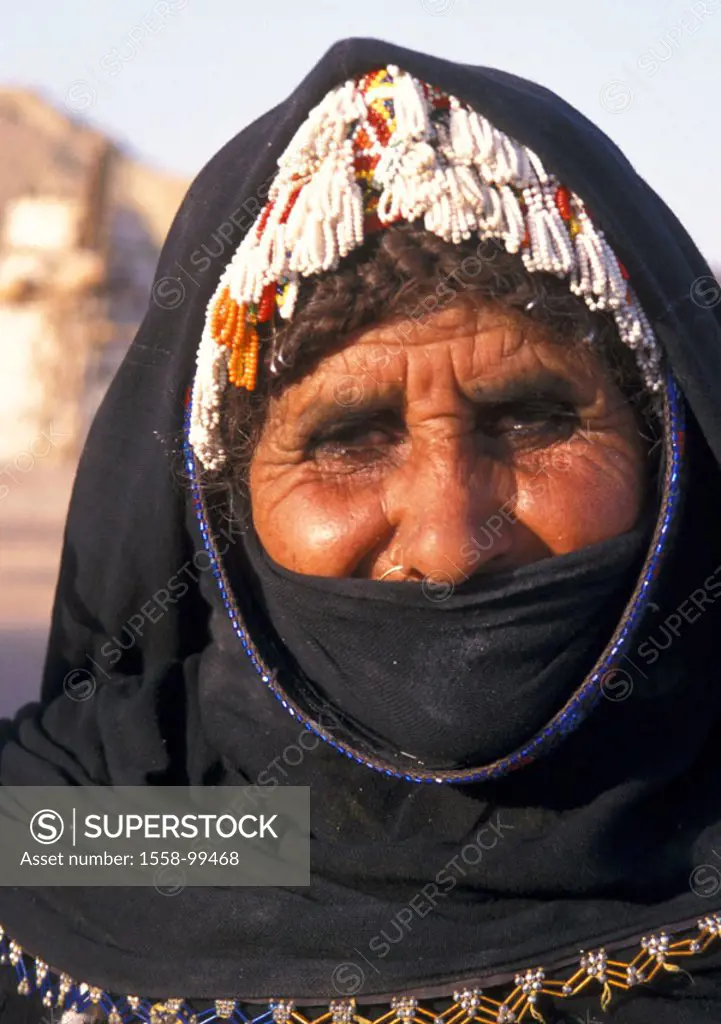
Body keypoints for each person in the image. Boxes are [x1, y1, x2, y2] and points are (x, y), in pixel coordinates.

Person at [2, 36, 721, 1024]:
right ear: (225, 515)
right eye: (347, 439)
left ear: (667, 456)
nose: (448, 543)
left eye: (536, 421)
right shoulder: (95, 829)